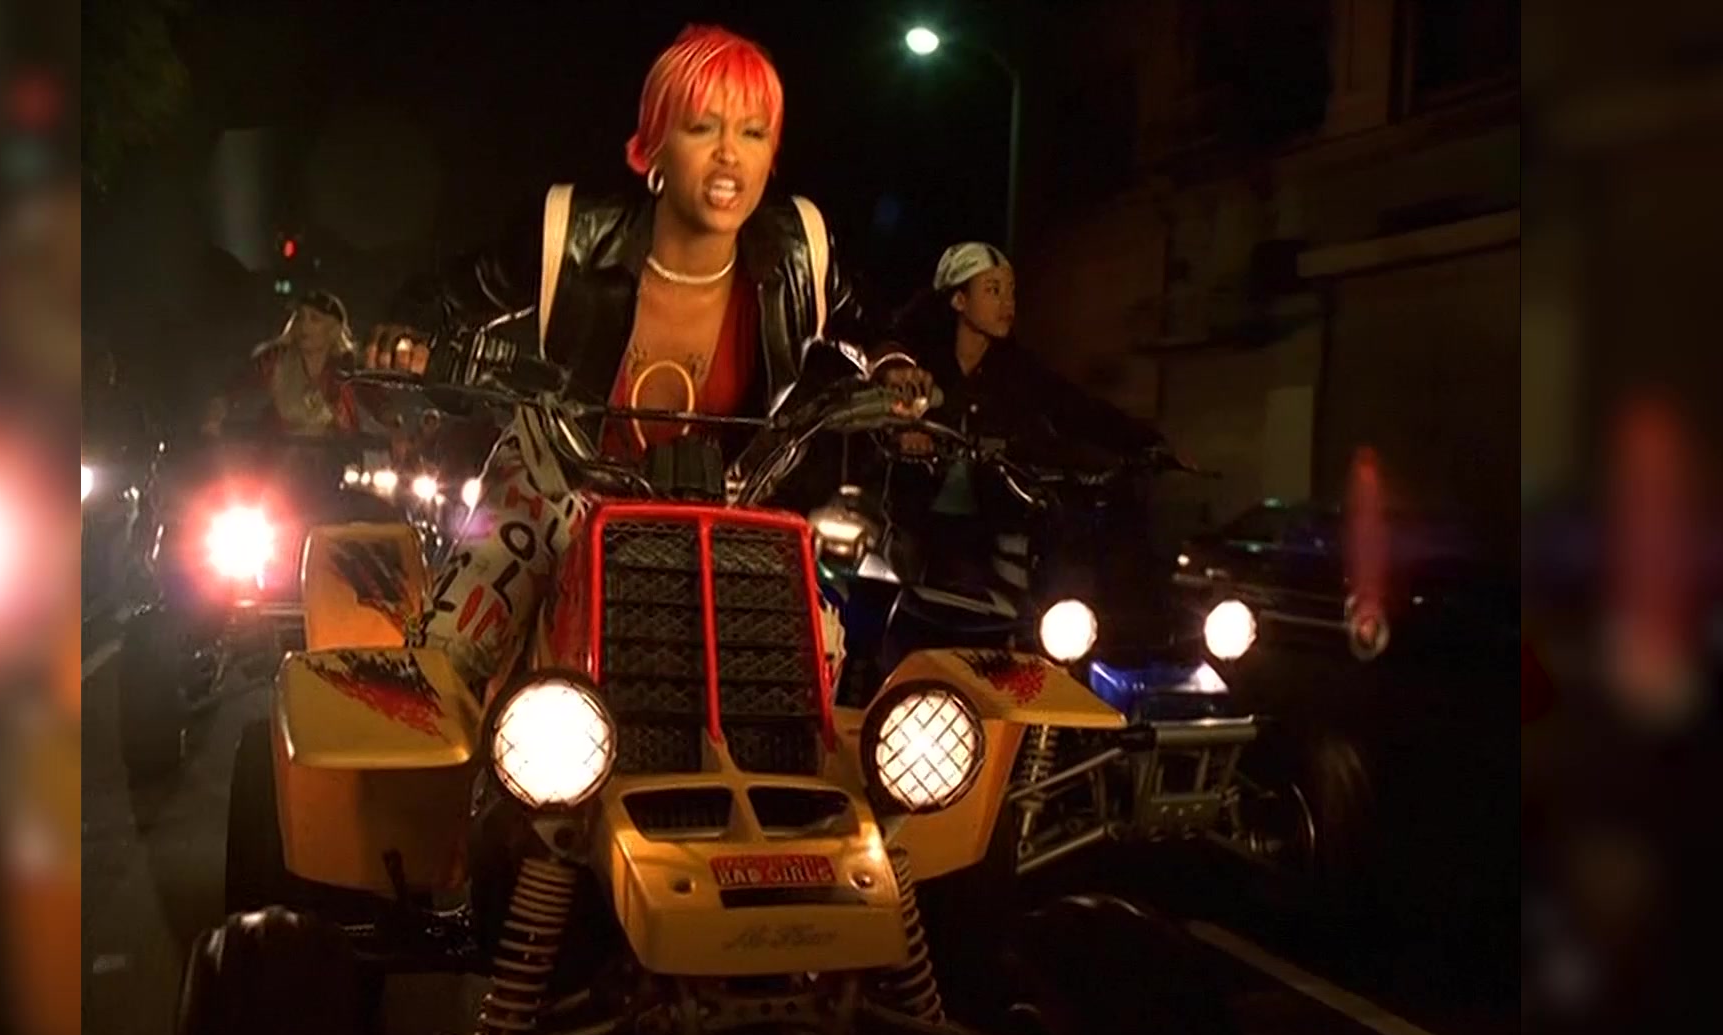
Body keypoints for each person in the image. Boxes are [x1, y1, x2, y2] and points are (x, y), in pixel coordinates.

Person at [360, 24, 927, 691]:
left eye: (753, 132)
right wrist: (409, 340)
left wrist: (894, 370)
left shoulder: (803, 248)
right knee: (448, 652)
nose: (729, 155)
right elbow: (449, 296)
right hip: (557, 489)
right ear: (654, 144)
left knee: (814, 653)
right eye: (702, 128)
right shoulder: (569, 231)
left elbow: (869, 323)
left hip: (724, 504)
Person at [880, 241, 1170, 587]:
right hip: (915, 517)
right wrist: (905, 432)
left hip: (986, 525)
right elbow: (880, 393)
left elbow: (1074, 406)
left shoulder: (1015, 369)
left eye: (1011, 292)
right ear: (959, 300)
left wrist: (1146, 442)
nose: (1007, 303)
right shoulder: (914, 359)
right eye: (993, 290)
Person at [201, 289, 362, 437]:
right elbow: (235, 386)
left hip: (333, 454)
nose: (304, 325)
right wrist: (215, 414)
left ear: (333, 329)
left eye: (315, 319)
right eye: (300, 317)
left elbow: (367, 405)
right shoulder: (274, 360)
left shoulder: (346, 368)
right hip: (279, 452)